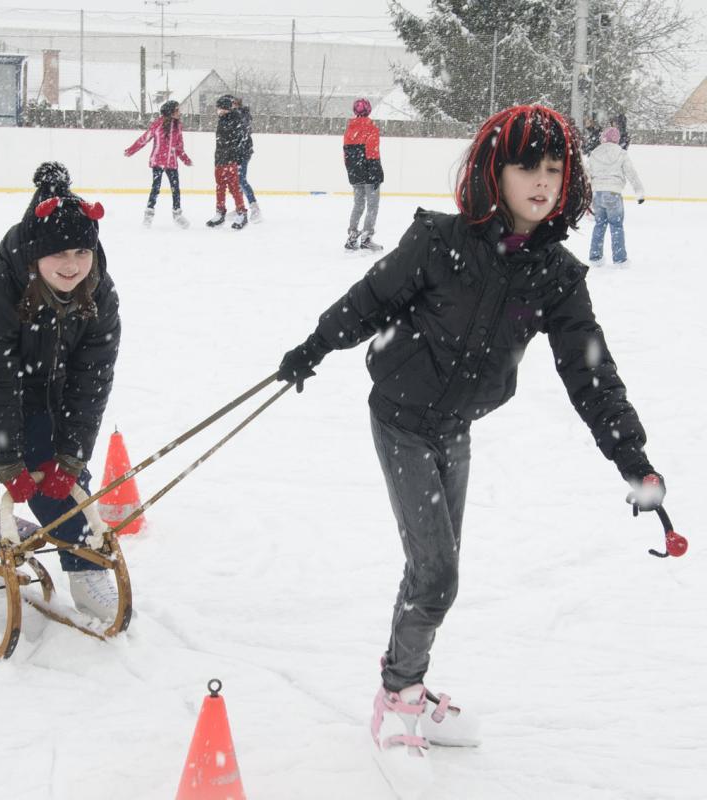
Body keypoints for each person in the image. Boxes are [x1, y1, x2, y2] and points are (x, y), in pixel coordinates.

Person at [276, 105, 666, 758]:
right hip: (401, 417)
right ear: (495, 170)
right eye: (526, 167)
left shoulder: (558, 277)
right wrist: (314, 347)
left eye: (554, 167)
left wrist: (632, 456)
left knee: (433, 572)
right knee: (436, 578)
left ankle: (407, 682)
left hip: (454, 427)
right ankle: (399, 696)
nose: (542, 181)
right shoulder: (439, 241)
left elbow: (589, 370)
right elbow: (369, 300)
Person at [0, 161, 122, 654]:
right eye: (59, 253)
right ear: (35, 254)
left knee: (60, 474)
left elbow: (90, 380)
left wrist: (69, 456)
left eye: (82, 251)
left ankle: (84, 566)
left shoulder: (99, 293)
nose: (72, 264)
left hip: (40, 380)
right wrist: (8, 462)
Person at [124, 100, 193, 229]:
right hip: (158, 161)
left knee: (176, 189)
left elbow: (179, 146)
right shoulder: (158, 124)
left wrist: (185, 159)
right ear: (170, 112)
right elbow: (144, 139)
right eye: (177, 110)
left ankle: (177, 215)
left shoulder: (178, 126)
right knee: (155, 188)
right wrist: (131, 150)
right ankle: (148, 215)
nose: (179, 112)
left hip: (171, 163)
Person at [587, 126, 644, 268]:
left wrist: (587, 194)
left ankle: (595, 257)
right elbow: (631, 173)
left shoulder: (594, 153)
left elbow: (587, 174)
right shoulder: (621, 153)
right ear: (617, 139)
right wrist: (639, 192)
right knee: (616, 226)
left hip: (598, 194)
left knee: (599, 225)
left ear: (603, 138)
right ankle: (619, 259)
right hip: (613, 193)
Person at [343, 98, 384, 251]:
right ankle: (367, 237)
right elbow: (372, 153)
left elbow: (346, 155)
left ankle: (353, 236)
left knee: (358, 204)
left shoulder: (349, 130)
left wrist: (352, 173)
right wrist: (376, 174)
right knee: (372, 205)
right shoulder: (371, 128)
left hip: (355, 172)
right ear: (369, 110)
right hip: (369, 172)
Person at [206, 95, 247, 230]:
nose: (218, 111)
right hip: (220, 159)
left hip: (231, 160)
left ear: (226, 109)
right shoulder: (222, 120)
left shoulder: (236, 119)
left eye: (220, 108)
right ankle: (220, 212)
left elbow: (240, 140)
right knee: (220, 186)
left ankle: (241, 212)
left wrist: (235, 157)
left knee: (234, 187)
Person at [232, 96, 261, 222]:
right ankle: (240, 207)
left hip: (242, 153)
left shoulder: (241, 116)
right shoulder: (236, 116)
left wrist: (238, 150)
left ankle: (254, 207)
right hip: (236, 153)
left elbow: (242, 135)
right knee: (237, 181)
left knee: (241, 180)